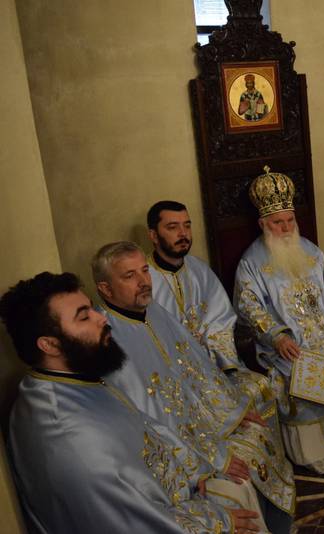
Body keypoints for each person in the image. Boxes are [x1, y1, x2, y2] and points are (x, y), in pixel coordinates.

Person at [0, 272, 265, 533]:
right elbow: (131, 522)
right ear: (49, 345)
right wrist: (217, 522)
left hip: (170, 496)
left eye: (92, 308)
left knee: (236, 486)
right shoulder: (67, 435)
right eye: (84, 317)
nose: (102, 318)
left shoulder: (71, 380)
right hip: (163, 519)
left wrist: (197, 470)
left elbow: (145, 426)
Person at [92, 241, 295, 532]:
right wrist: (202, 465)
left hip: (203, 423)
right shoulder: (105, 343)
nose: (144, 281)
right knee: (236, 483)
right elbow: (140, 420)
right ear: (105, 289)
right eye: (129, 276)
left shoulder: (155, 312)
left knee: (258, 433)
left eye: (145, 271)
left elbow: (199, 368)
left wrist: (232, 411)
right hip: (176, 452)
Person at [234, 167, 324, 474]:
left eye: (290, 220)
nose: (286, 228)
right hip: (291, 342)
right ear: (263, 223)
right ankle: (315, 452)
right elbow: (249, 307)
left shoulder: (310, 250)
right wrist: (277, 336)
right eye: (278, 222)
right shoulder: (251, 263)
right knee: (300, 369)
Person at [146, 200, 270, 399]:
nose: (183, 233)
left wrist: (210, 353)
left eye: (187, 225)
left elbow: (221, 320)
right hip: (175, 374)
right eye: (173, 227)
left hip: (213, 363)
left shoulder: (200, 270)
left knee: (261, 386)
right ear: (153, 235)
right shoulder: (144, 280)